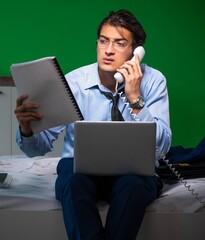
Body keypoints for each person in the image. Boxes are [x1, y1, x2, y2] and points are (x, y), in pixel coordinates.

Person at [14, 9, 172, 240]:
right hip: (80, 171)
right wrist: (26, 129)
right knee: (73, 182)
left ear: (135, 52)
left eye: (119, 43)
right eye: (103, 41)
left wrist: (135, 99)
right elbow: (36, 149)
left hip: (132, 173)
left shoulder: (154, 81)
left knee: (132, 186)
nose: (108, 50)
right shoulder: (74, 83)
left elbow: (163, 147)